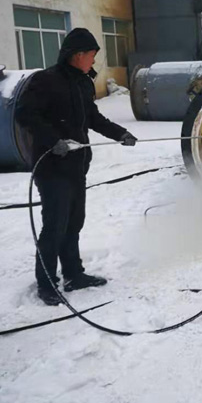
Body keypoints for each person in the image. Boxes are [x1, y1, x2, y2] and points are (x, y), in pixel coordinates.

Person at [15, 28, 137, 306]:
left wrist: (120, 134)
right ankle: (46, 284)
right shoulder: (45, 81)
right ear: (77, 55)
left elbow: (92, 117)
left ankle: (73, 274)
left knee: (74, 223)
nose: (94, 61)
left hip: (76, 165)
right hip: (52, 167)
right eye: (92, 56)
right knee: (54, 227)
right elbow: (25, 114)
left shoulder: (83, 82)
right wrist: (53, 140)